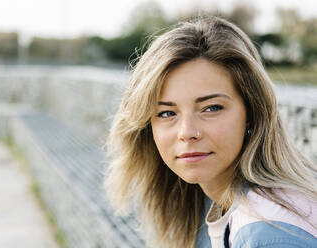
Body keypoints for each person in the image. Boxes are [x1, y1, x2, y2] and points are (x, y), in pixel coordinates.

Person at [104, 16, 317, 248]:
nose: (187, 132)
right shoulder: (211, 199)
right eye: (166, 113)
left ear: (252, 112)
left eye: (211, 108)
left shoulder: (268, 235)